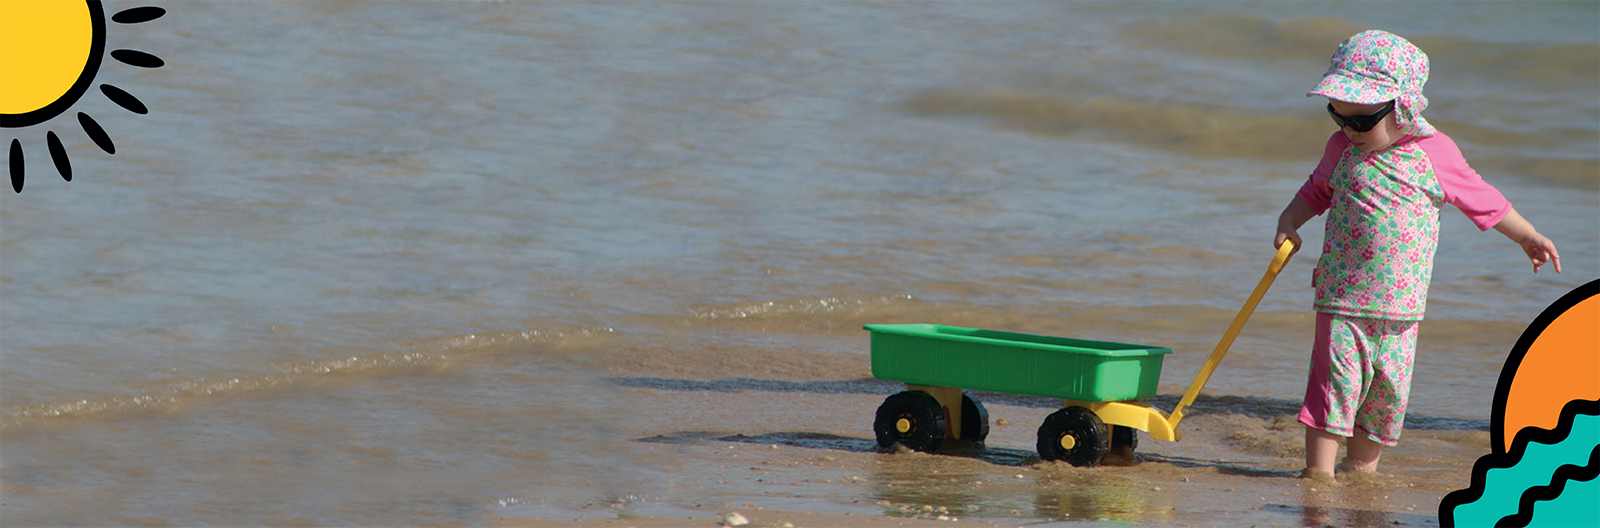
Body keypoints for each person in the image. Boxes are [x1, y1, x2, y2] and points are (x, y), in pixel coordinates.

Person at [1272, 30, 1561, 479]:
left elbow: (1480, 197)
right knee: (1334, 390)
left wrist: (1526, 235)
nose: (1349, 130)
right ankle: (1319, 478)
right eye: (1338, 117)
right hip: (1342, 298)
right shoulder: (1341, 150)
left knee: (1385, 398)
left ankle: (1361, 473)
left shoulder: (1434, 153)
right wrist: (1289, 220)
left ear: (1402, 107)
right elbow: (1316, 191)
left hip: (1403, 308)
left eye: (1362, 121)